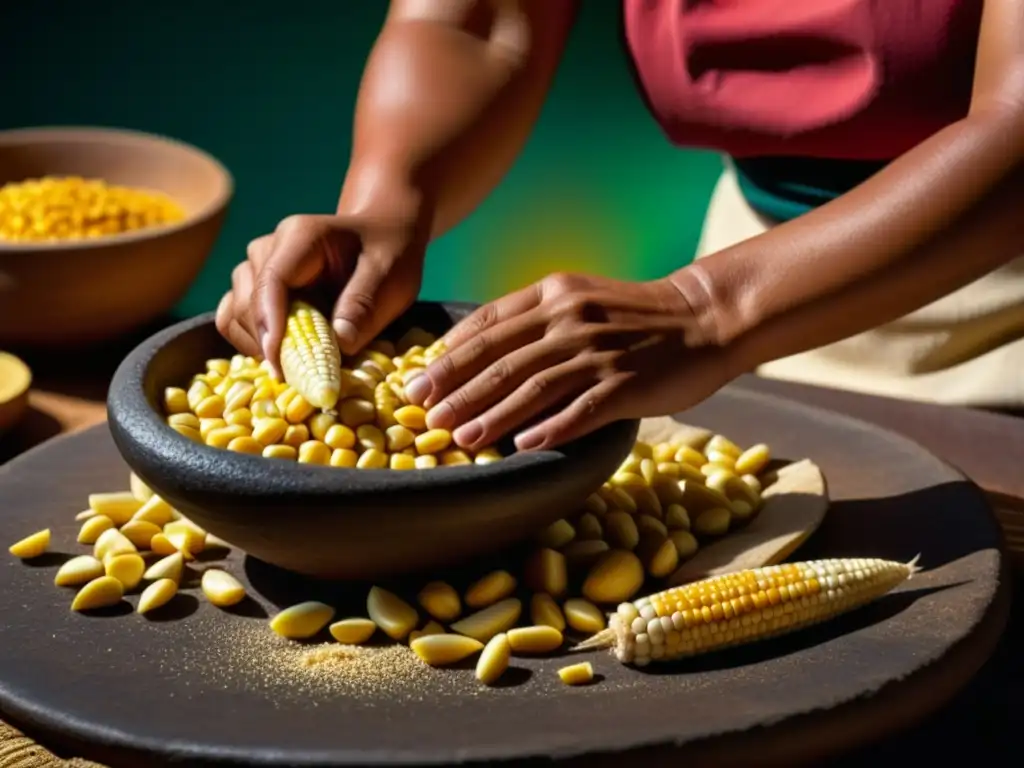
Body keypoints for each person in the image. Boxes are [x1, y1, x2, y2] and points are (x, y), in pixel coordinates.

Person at [216, 0, 1024, 454]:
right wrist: (385, 203)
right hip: (758, 304)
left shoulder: (709, 319)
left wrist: (709, 309)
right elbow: (475, 21)